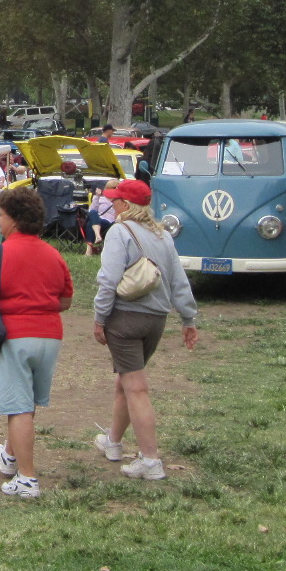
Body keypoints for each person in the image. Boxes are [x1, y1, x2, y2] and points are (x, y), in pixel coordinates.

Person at [0, 186, 74, 498]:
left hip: (14, 336)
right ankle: (10, 457)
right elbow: (65, 300)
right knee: (26, 403)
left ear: (14, 220)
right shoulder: (54, 254)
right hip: (49, 337)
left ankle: (27, 479)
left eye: (1, 216)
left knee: (18, 408)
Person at [92, 179, 199, 482]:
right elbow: (179, 282)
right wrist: (189, 320)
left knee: (136, 387)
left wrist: (99, 318)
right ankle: (113, 443)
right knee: (126, 381)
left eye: (115, 200)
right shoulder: (163, 235)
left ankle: (150, 460)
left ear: (126, 205)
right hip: (156, 320)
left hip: (125, 318)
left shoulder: (119, 232)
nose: (112, 205)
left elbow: (108, 281)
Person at [85, 187, 116, 255]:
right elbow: (91, 210)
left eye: (114, 188)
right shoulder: (101, 198)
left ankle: (89, 250)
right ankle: (97, 235)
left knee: (90, 223)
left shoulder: (118, 201)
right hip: (98, 219)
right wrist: (97, 196)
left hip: (109, 222)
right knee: (93, 212)